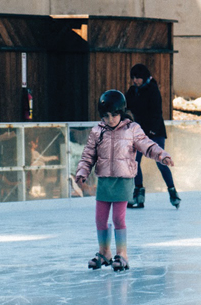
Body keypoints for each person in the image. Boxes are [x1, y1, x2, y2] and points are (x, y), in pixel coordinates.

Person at [77, 90, 174, 272]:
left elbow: (147, 145)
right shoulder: (98, 131)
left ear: (121, 112)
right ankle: (104, 252)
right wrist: (83, 171)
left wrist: (162, 155)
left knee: (118, 218)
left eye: (114, 115)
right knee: (100, 219)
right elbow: (88, 155)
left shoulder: (132, 129)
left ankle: (122, 254)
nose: (110, 119)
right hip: (104, 180)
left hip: (123, 181)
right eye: (106, 116)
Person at [125, 63, 180, 209]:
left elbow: (156, 113)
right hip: (140, 132)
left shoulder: (152, 90)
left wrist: (152, 132)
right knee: (134, 161)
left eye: (138, 78)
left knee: (160, 161)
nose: (135, 80)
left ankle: (173, 192)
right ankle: (138, 194)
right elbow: (124, 105)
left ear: (144, 77)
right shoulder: (133, 91)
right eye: (133, 78)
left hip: (155, 132)